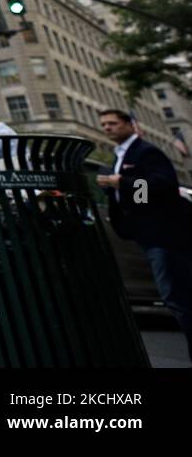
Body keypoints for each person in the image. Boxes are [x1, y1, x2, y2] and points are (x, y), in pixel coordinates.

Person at [98, 109, 192, 362]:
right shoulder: (120, 155)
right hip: (146, 235)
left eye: (113, 123)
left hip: (164, 235)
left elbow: (164, 185)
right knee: (175, 296)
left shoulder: (146, 152)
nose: (107, 128)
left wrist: (123, 183)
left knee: (177, 297)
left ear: (130, 125)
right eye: (104, 125)